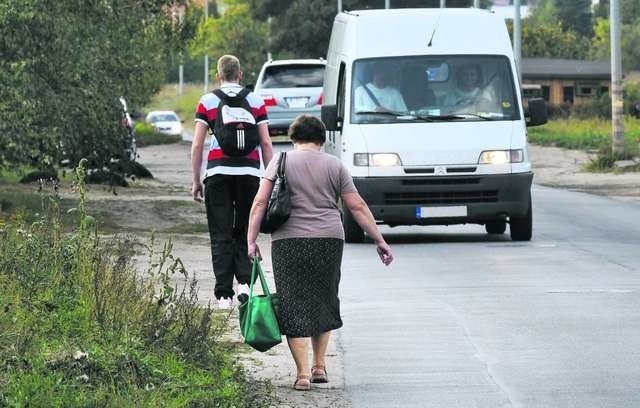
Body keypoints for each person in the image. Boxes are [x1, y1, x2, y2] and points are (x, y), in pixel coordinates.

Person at [246, 114, 394, 391]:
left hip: (288, 240)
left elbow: (260, 202)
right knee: (323, 298)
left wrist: (251, 239)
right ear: (322, 139)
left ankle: (302, 375)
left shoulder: (280, 161)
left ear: (293, 138)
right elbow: (357, 206)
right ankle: (319, 365)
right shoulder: (335, 165)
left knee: (292, 303)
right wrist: (379, 240)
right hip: (328, 239)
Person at [191, 55, 274, 309]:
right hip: (249, 174)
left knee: (220, 233)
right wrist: (270, 179)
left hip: (217, 174)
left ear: (218, 76)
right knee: (245, 231)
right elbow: (266, 143)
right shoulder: (256, 101)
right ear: (240, 74)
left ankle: (224, 295)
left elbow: (197, 145)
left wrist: (196, 180)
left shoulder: (208, 101)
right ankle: (245, 285)